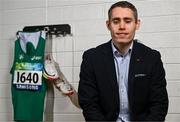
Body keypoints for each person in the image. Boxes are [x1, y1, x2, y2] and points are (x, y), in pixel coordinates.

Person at [78, 1, 169, 121]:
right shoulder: (91, 58)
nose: (122, 26)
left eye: (127, 21)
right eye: (116, 21)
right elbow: (88, 104)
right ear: (108, 25)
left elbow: (159, 104)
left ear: (137, 24)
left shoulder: (152, 58)